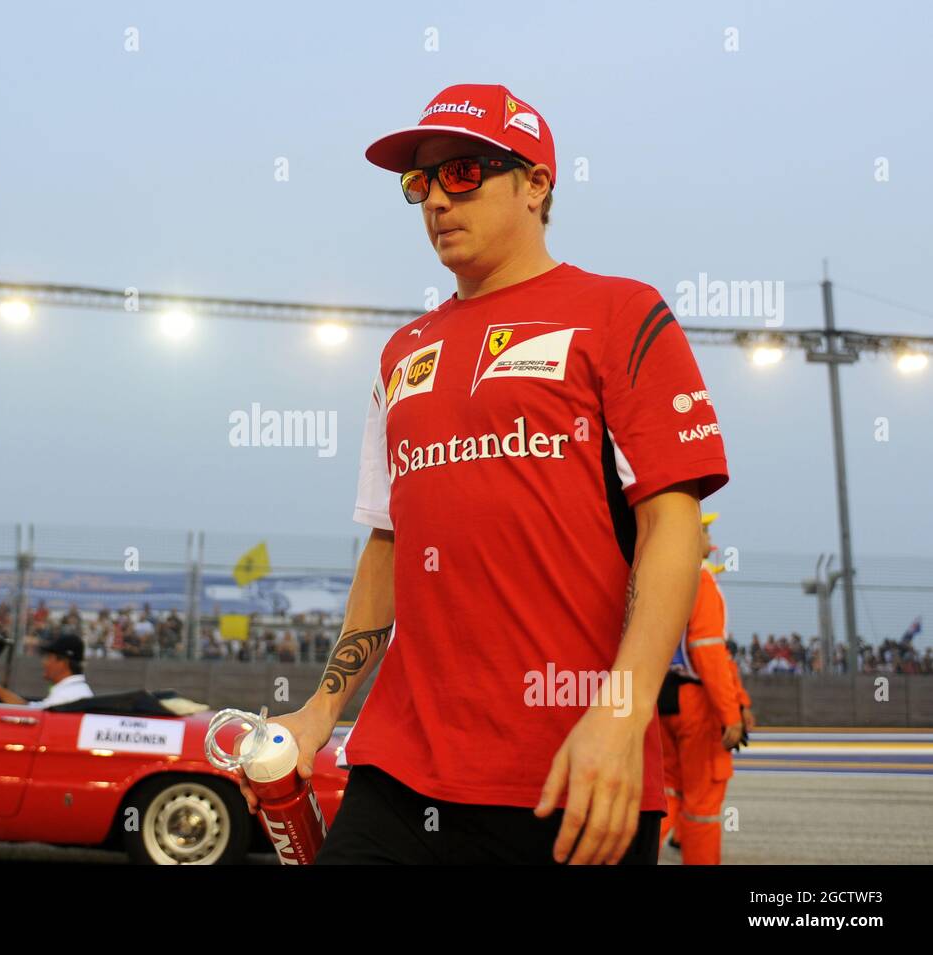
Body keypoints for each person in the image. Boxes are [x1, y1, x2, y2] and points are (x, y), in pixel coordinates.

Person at [236, 83, 730, 865]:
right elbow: (389, 542)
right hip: (397, 770)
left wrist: (622, 712)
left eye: (463, 172)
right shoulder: (403, 351)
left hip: (573, 773)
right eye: (420, 182)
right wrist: (322, 709)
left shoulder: (621, 314)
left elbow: (672, 524)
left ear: (536, 183)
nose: (436, 199)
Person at [658, 512, 743, 864]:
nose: (711, 539)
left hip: (662, 699)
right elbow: (709, 652)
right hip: (697, 702)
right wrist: (730, 713)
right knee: (704, 804)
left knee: (667, 793)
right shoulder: (701, 581)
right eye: (704, 530)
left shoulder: (661, 577)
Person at [0, 633, 93, 708]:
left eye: (49, 657)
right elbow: (28, 707)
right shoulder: (73, 691)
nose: (44, 662)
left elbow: (31, 713)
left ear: (63, 663)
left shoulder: (67, 696)